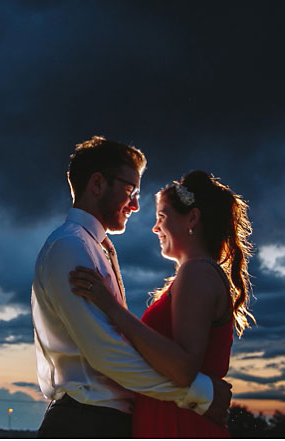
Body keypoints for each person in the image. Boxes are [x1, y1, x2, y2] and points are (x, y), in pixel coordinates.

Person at [32, 137, 232, 438]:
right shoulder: (71, 247)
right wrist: (199, 395)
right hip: (85, 422)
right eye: (131, 190)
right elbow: (107, 352)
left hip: (103, 420)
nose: (136, 205)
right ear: (97, 184)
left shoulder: (96, 248)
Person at [69, 170, 254, 437]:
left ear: (192, 218)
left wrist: (110, 307)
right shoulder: (195, 274)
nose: (155, 228)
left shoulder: (197, 273)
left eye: (162, 217)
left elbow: (182, 369)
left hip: (179, 425)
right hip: (171, 418)